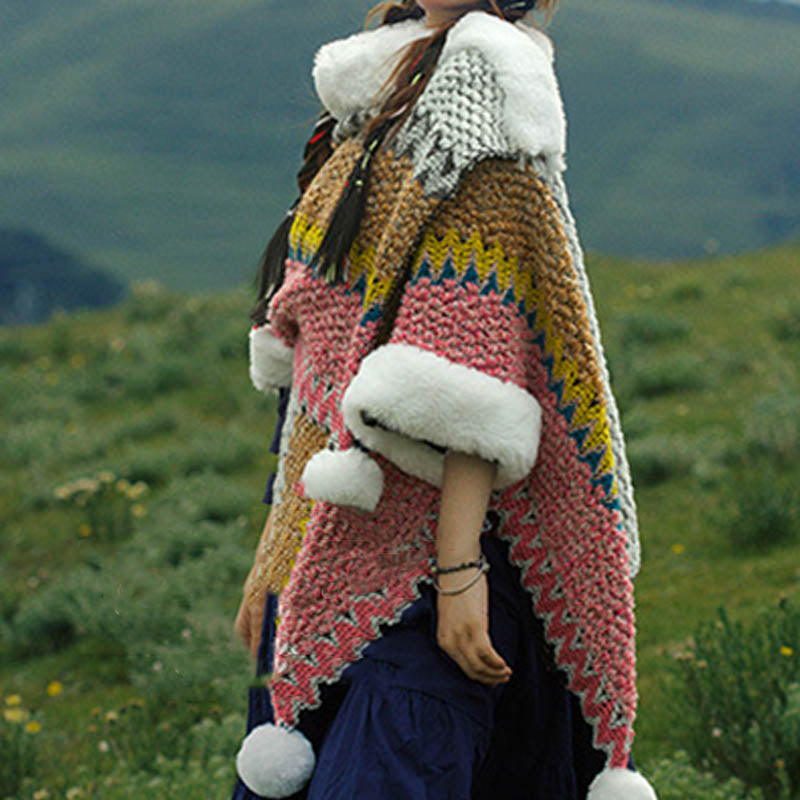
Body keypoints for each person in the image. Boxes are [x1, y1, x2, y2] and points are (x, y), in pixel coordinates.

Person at [232, 0, 658, 798]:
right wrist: (278, 545)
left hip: (431, 550)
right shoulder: (382, 88)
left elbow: (471, 368)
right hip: (336, 523)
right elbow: (323, 346)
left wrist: (459, 572)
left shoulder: (485, 98)